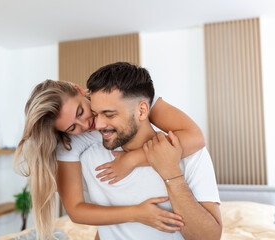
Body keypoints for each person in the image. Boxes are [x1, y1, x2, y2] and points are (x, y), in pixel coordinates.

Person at [14, 68, 205, 239]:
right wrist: (136, 214)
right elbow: (76, 210)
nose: (88, 125)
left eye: (81, 112)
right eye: (72, 127)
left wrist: (132, 160)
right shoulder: (70, 145)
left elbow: (195, 138)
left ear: (80, 91)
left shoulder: (133, 101)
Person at [57, 62, 222, 239]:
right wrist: (135, 214)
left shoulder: (190, 154)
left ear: (143, 110)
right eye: (96, 114)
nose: (96, 125)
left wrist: (171, 174)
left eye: (110, 114)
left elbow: (208, 237)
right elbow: (98, 223)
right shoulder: (89, 158)